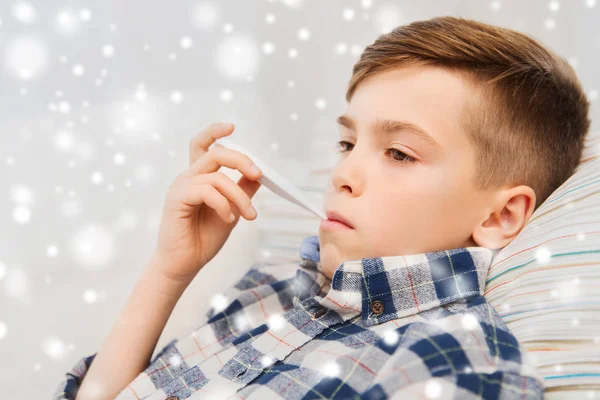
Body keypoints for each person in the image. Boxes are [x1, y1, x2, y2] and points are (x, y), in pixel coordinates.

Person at [53, 15, 590, 400]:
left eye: (399, 153)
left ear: (499, 217)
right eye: (346, 144)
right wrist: (169, 271)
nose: (344, 173)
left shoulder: (452, 361)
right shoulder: (267, 292)